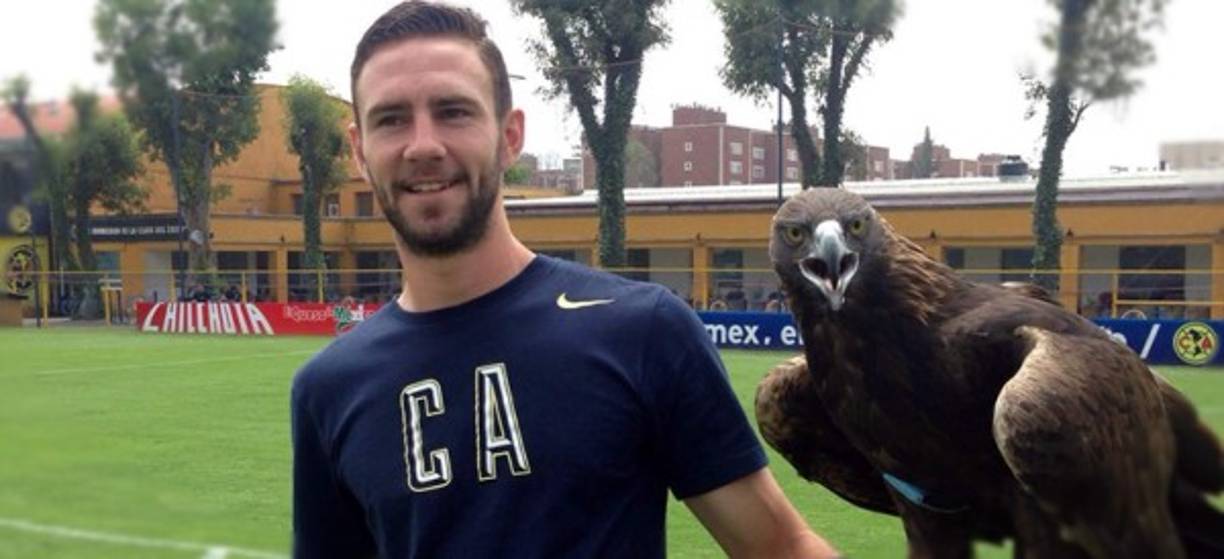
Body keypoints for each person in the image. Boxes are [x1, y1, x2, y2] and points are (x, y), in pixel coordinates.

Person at [290, 2, 840, 558]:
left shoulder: (640, 331)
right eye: (392, 119)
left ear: (509, 136)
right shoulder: (328, 390)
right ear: (360, 151)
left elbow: (781, 546)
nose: (424, 145)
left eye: (454, 112)